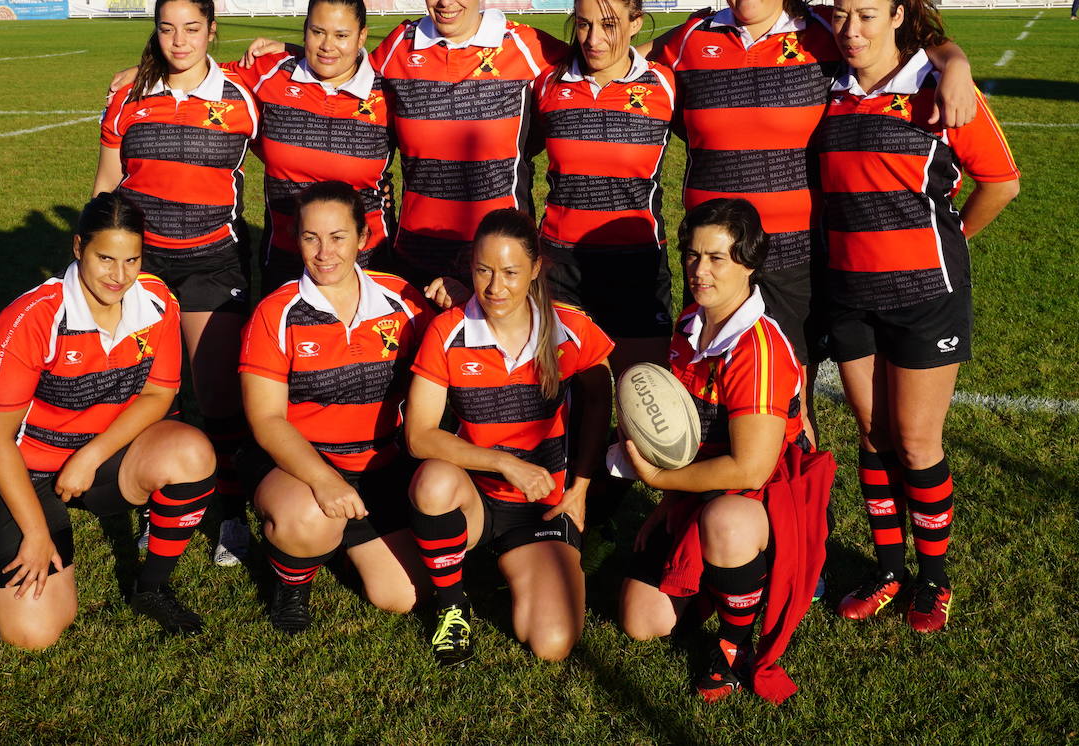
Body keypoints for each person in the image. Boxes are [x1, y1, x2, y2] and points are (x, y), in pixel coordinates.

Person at [652, 0, 979, 444]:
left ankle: (797, 517)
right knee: (709, 394)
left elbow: (910, 41)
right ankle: (713, 512)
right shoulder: (690, 40)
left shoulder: (827, 31)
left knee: (790, 404)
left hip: (795, 256)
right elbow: (625, 71)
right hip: (712, 255)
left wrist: (955, 62)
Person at [819, 0, 1020, 634]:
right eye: (842, 13)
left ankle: (933, 579)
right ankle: (886, 569)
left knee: (914, 438)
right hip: (848, 293)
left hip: (926, 294)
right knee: (872, 437)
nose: (850, 29)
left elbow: (1002, 181)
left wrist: (955, 237)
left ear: (899, 15)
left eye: (868, 15)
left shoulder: (936, 90)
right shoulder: (829, 83)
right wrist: (951, 49)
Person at [240, 0, 567, 295]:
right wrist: (294, 50)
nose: (445, 0)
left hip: (499, 259)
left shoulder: (527, 46)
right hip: (415, 256)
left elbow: (600, 59)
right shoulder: (400, 44)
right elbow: (346, 63)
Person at [0, 193, 217, 647]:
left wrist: (89, 455)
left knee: (190, 451)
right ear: (78, 248)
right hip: (20, 467)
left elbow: (160, 393)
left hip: (96, 458)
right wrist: (36, 533)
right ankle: (21, 552)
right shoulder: (31, 318)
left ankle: (151, 588)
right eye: (105, 258)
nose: (119, 276)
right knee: (35, 633)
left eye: (132, 260)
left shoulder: (158, 302)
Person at [618, 198, 833, 704]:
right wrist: (669, 509)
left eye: (717, 258)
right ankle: (721, 584)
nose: (699, 270)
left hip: (761, 496)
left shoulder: (754, 347)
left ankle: (733, 646)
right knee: (639, 622)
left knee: (727, 524)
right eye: (692, 255)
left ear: (749, 262)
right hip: (707, 486)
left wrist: (659, 483)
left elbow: (752, 467)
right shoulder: (690, 324)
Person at [95, 0, 262, 568]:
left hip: (215, 260)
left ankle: (232, 517)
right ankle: (156, 505)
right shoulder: (128, 96)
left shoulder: (244, 95)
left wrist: (272, 50)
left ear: (212, 31)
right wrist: (100, 269)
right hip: (144, 268)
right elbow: (106, 188)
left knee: (217, 398)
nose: (179, 40)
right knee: (152, 396)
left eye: (192, 28)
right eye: (167, 28)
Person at [406, 209, 613, 665]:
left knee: (551, 643)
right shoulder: (447, 332)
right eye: (483, 271)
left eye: (510, 272)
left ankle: (522, 563)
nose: (495, 288)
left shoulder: (570, 330)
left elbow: (600, 401)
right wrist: (503, 462)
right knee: (433, 480)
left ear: (536, 269)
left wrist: (579, 489)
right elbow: (419, 436)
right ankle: (451, 605)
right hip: (476, 498)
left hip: (543, 504)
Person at [241, 182, 431, 632]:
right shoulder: (276, 312)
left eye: (338, 237)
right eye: (311, 238)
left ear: (364, 237)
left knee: (402, 597)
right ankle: (292, 581)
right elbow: (266, 419)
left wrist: (460, 294)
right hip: (298, 466)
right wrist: (324, 480)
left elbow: (451, 359)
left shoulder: (403, 300)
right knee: (307, 517)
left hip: (379, 466)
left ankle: (339, 546)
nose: (324, 252)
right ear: (295, 238)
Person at [532, 0, 676, 374]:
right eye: (583, 23)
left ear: (635, 21)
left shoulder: (665, 84)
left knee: (646, 405)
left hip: (638, 265)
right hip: (563, 267)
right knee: (571, 406)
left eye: (609, 24)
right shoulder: (547, 83)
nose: (593, 39)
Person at [228, 0, 396, 292]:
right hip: (285, 259)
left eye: (342, 35)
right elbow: (199, 75)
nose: (327, 46)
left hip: (368, 263)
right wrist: (146, 71)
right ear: (304, 28)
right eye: (317, 32)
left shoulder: (389, 91)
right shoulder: (270, 72)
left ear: (362, 35)